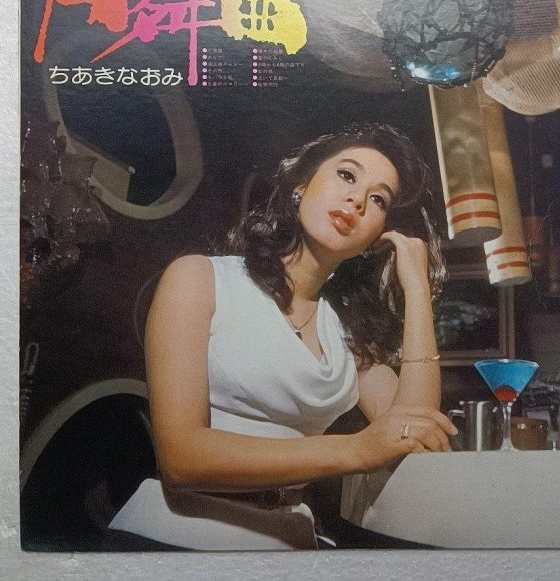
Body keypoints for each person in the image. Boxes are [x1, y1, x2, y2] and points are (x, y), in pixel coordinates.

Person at [108, 122, 457, 550]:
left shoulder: (345, 331)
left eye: (378, 199)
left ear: (375, 237)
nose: (357, 200)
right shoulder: (201, 279)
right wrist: (357, 450)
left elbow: (413, 435)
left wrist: (417, 289)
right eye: (347, 175)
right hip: (174, 541)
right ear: (300, 185)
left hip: (288, 545)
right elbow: (182, 459)